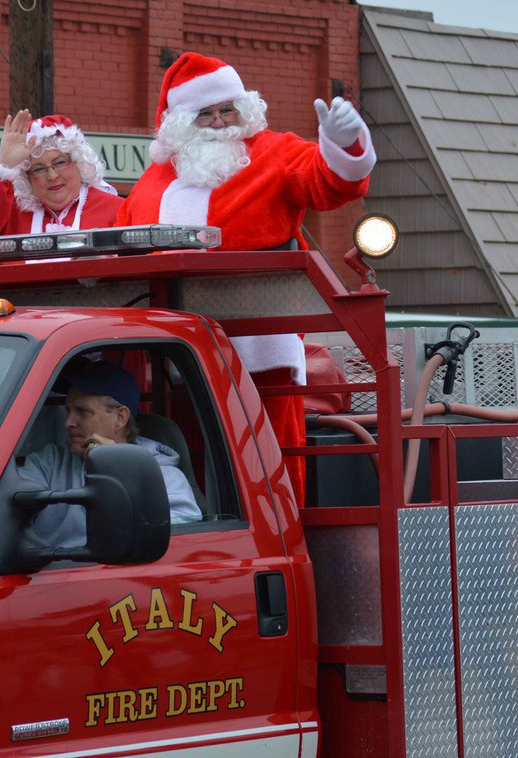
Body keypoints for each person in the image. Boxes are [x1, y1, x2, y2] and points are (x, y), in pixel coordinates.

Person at [115, 52, 377, 501]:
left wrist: (344, 148)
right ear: (181, 121)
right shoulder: (153, 182)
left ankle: (280, 548)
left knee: (268, 464)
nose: (219, 122)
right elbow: (124, 248)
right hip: (177, 356)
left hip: (262, 348)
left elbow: (329, 183)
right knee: (186, 461)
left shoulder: (275, 152)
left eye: (227, 110)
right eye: (206, 113)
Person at [22, 360, 201, 549]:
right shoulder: (51, 462)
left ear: (120, 418)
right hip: (48, 571)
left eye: (82, 412)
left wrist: (113, 469)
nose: (68, 422)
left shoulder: (163, 476)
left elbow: (173, 544)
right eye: (68, 411)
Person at [0, 111, 122, 237]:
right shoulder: (10, 215)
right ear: (27, 177)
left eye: (60, 162)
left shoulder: (117, 210)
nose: (52, 175)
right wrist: (3, 163)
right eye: (39, 169)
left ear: (78, 163)